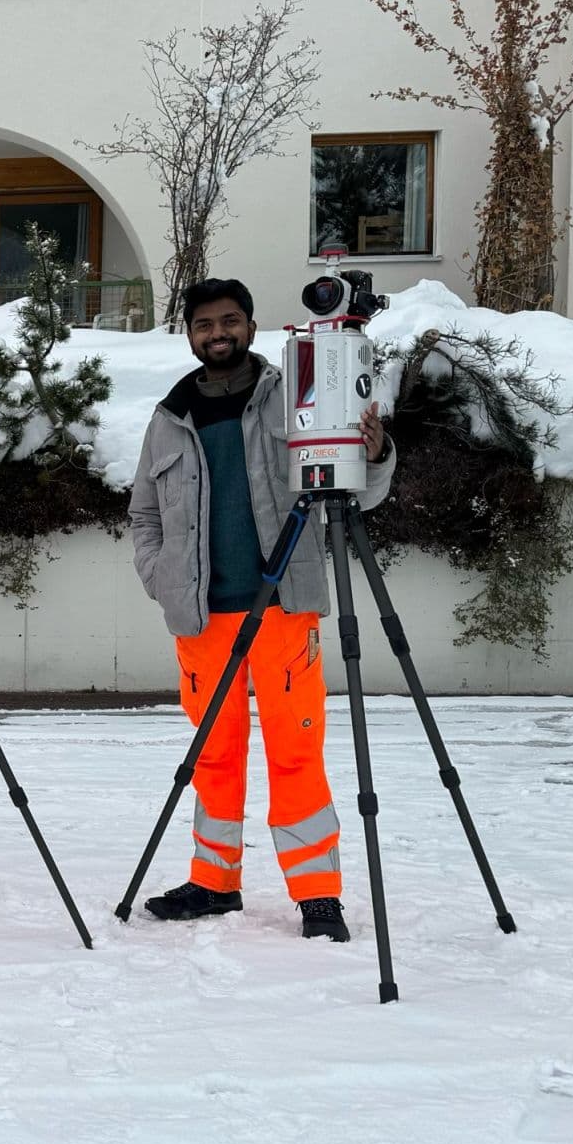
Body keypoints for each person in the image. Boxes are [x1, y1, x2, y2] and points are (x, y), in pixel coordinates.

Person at [129, 277, 396, 942]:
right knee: (214, 756)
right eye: (202, 325)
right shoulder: (168, 417)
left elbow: (353, 495)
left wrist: (374, 454)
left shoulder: (297, 394)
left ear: (249, 325)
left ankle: (316, 895)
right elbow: (143, 513)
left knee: (294, 752)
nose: (216, 334)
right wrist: (159, 577)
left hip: (281, 608)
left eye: (228, 321)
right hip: (200, 619)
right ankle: (213, 883)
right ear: (188, 333)